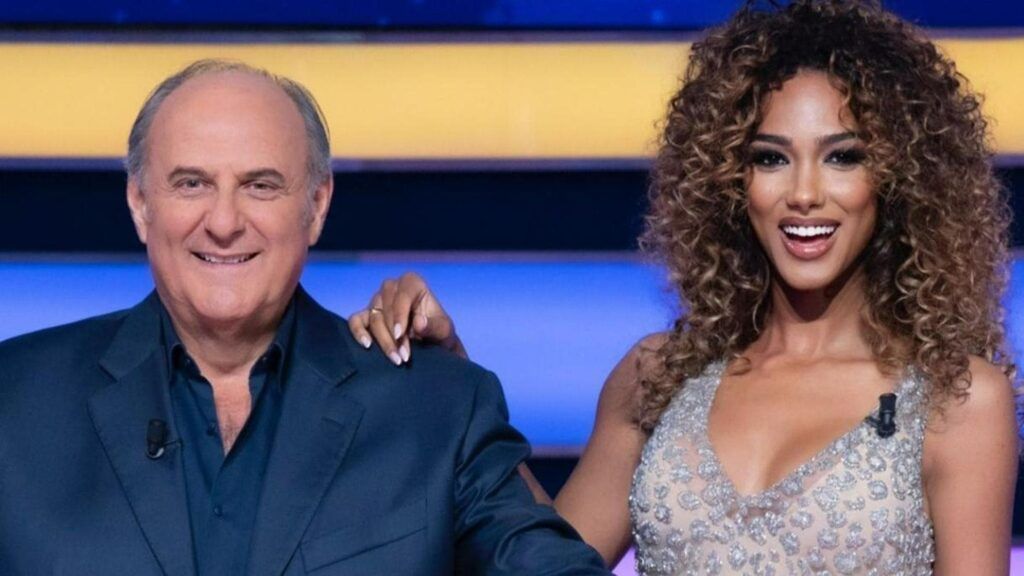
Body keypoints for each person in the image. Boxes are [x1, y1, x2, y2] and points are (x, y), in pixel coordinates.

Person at [349, 1, 1020, 573]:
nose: (804, 193)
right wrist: (450, 371)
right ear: (731, 179)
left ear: (899, 179)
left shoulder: (957, 403)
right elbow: (545, 562)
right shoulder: (658, 378)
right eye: (771, 158)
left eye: (842, 157)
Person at [0, 59, 610, 575]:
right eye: (191, 184)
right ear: (139, 203)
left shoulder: (437, 406)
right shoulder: (14, 399)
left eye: (260, 186)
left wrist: (447, 395)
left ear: (316, 206)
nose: (223, 222)